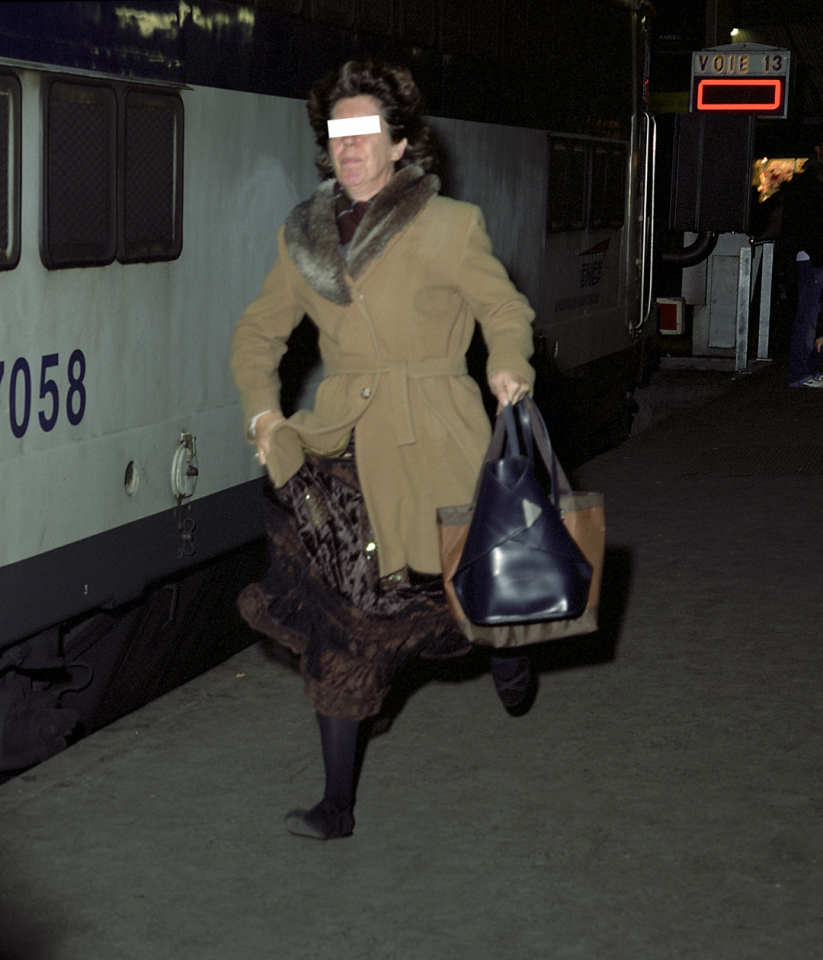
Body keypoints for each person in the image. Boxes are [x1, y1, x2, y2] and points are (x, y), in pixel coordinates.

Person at [231, 59, 536, 840]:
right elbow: (259, 333)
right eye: (338, 135)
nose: (351, 147)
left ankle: (508, 647)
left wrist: (508, 361)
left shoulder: (449, 225)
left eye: (367, 132)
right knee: (342, 622)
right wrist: (265, 415)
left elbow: (502, 308)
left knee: (476, 593)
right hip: (341, 450)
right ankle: (336, 805)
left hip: (435, 434)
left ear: (401, 144)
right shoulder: (301, 236)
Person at [781, 138, 823, 387]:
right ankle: (801, 372)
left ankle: (809, 369)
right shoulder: (808, 185)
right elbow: (804, 226)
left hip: (811, 256)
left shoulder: (809, 182)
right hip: (812, 258)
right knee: (809, 316)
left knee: (812, 316)